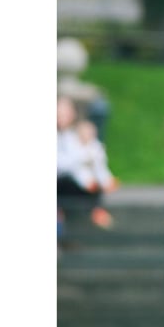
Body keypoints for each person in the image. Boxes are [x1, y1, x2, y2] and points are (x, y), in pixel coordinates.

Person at [57, 96, 117, 235]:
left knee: (93, 182)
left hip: (76, 182)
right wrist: (82, 158)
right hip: (61, 181)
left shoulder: (75, 136)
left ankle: (96, 211)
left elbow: (93, 158)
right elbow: (62, 164)